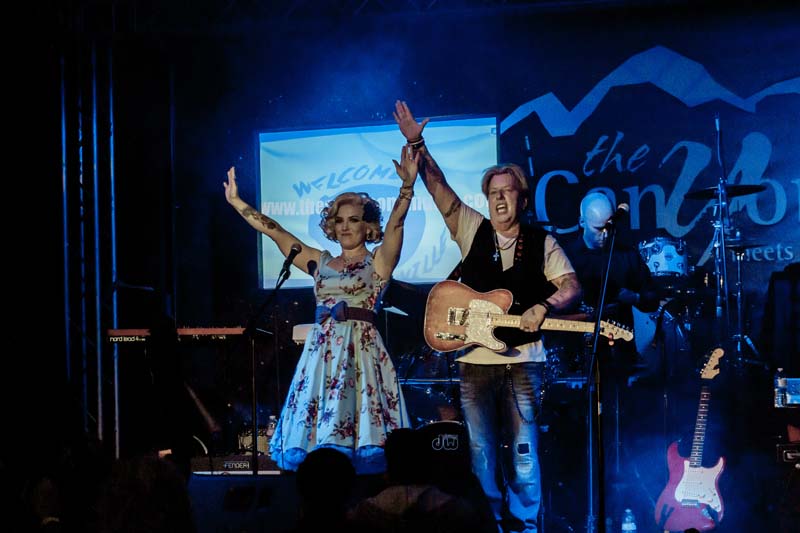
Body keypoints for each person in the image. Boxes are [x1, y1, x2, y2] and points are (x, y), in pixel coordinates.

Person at [394, 100, 581, 533]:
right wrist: (416, 142)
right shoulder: (472, 228)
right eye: (492, 192)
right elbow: (437, 187)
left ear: (522, 196)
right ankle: (486, 526)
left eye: (506, 191)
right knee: (479, 454)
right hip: (474, 363)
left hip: (524, 364)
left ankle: (527, 527)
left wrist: (545, 305)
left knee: (524, 453)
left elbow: (572, 286)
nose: (497, 199)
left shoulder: (542, 241)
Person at [223, 145, 418, 474]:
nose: (345, 226)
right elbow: (276, 232)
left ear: (368, 226)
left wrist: (407, 187)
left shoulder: (379, 262)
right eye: (339, 220)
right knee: (320, 446)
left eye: (354, 220)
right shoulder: (320, 262)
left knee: (363, 442)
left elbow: (397, 225)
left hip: (361, 356)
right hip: (321, 355)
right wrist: (237, 202)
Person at [564, 191, 660, 525]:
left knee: (620, 424)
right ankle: (576, 494)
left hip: (618, 353)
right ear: (580, 223)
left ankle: (623, 495)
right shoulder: (565, 255)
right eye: (596, 229)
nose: (603, 235)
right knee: (575, 425)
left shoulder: (626, 253)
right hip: (573, 354)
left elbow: (651, 297)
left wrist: (632, 295)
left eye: (607, 228)